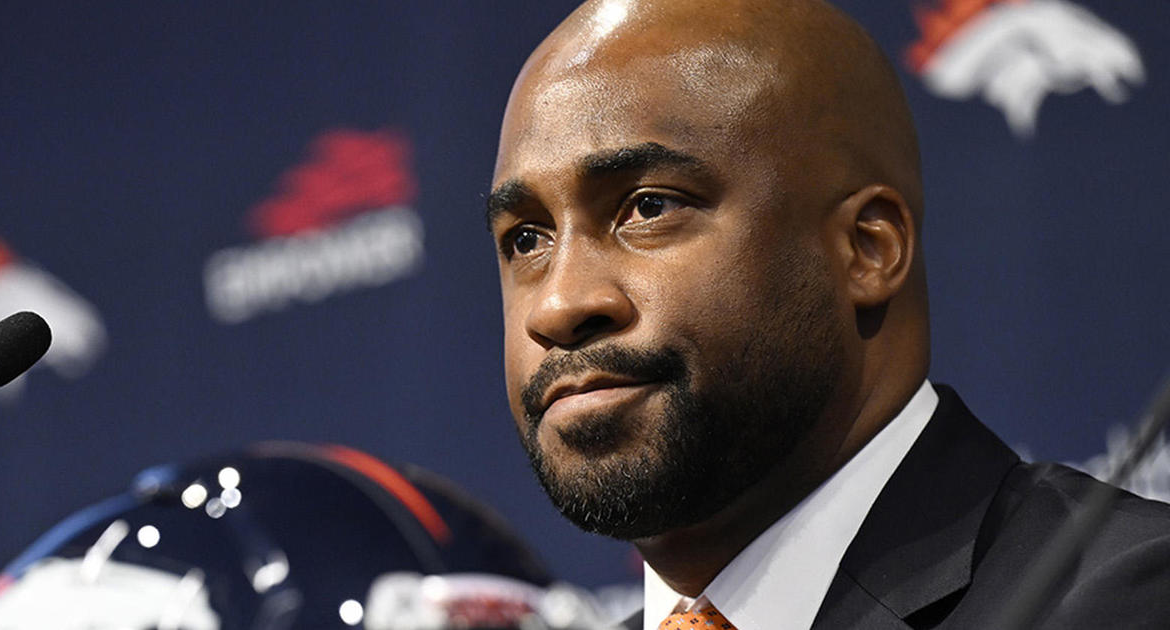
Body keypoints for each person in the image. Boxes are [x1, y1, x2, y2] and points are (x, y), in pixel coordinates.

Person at [484, 0, 1170, 628]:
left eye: (649, 208)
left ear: (866, 251)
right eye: (527, 240)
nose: (559, 305)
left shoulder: (1122, 600)